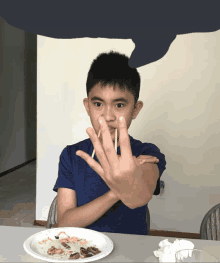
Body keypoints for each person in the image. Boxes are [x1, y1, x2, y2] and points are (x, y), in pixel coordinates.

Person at [53, 51, 166, 235]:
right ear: (87, 105)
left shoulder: (146, 151)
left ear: (135, 110)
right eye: (98, 104)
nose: (107, 116)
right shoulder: (72, 155)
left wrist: (129, 181)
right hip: (82, 250)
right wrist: (115, 192)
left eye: (119, 105)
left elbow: (139, 197)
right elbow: (65, 223)